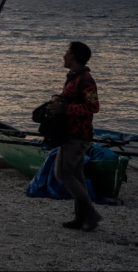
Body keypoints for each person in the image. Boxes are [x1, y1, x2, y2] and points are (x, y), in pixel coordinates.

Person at [48, 41, 101, 231]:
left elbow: (93, 107)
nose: (64, 56)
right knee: (76, 175)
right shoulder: (73, 78)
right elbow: (69, 98)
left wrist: (65, 108)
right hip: (71, 134)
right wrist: (58, 98)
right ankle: (81, 219)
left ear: (74, 57)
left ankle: (90, 214)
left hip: (77, 136)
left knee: (62, 173)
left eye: (67, 53)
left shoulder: (86, 80)